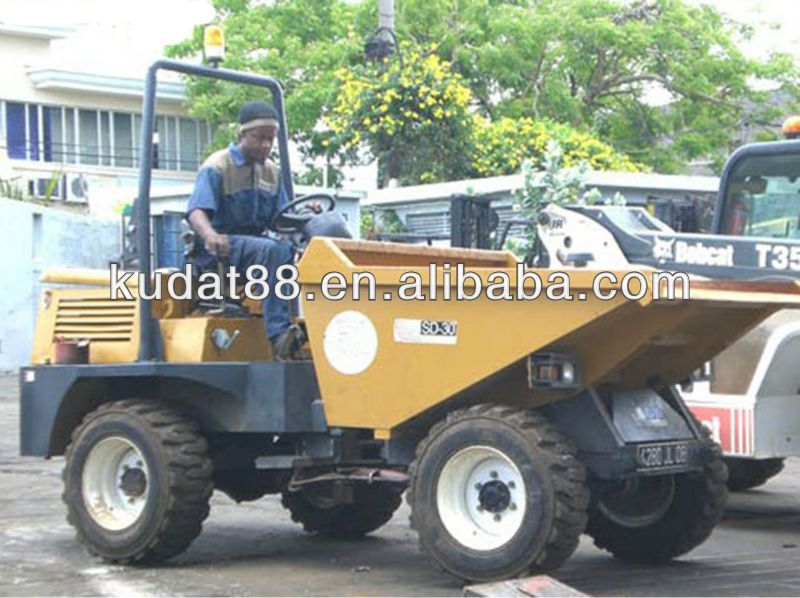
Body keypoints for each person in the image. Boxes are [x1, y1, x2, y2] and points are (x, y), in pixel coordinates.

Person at [186, 101, 302, 360]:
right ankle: (278, 335)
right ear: (242, 135)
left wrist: (308, 215)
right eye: (259, 138)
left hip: (255, 247)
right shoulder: (218, 166)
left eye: (270, 140)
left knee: (298, 247)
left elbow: (283, 218)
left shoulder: (272, 172)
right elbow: (196, 211)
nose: (265, 145)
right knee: (275, 250)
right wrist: (210, 236)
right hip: (221, 248)